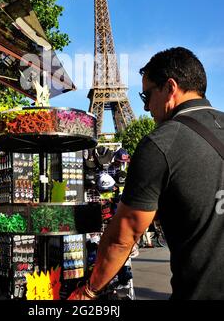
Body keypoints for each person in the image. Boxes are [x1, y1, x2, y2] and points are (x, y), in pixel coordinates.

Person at [68, 47, 224, 300]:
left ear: (170, 88)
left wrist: (89, 291)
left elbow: (124, 236)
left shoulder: (161, 144)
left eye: (147, 95)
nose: (147, 107)